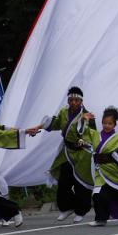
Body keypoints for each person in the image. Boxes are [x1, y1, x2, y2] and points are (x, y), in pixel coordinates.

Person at [38, 86, 96, 223]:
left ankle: (81, 211)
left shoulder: (88, 115)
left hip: (82, 153)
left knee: (81, 184)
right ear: (68, 100)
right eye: (71, 100)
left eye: (77, 100)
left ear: (81, 101)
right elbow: (57, 124)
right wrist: (41, 126)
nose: (74, 102)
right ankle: (67, 207)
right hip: (67, 152)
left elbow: (93, 134)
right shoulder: (64, 112)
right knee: (63, 182)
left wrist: (85, 141)